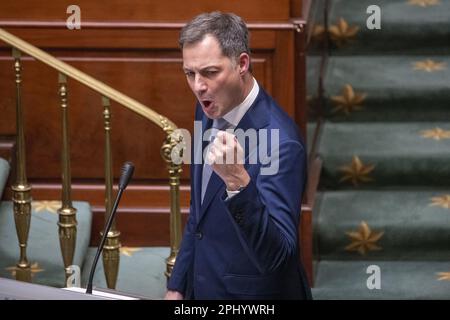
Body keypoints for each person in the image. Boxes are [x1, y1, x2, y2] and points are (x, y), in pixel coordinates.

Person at [165, 11, 311, 300]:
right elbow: (200, 211)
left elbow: (279, 257)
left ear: (242, 63)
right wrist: (178, 285)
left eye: (209, 72)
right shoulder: (208, 107)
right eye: (189, 74)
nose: (198, 86)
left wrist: (238, 184)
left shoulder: (281, 143)